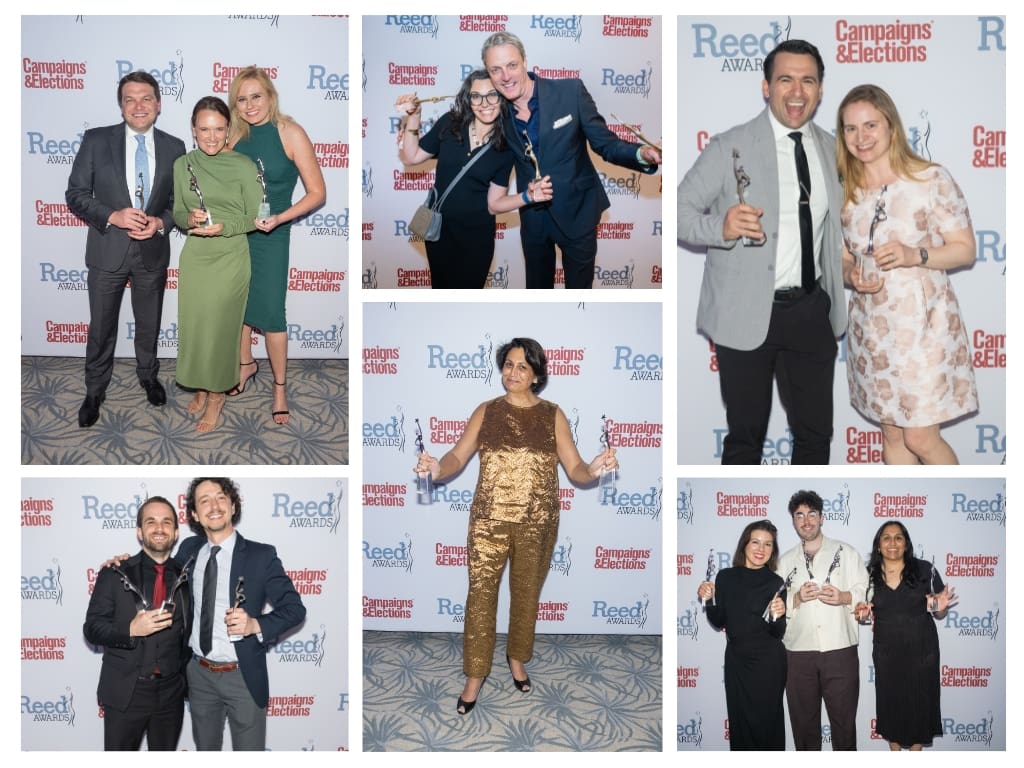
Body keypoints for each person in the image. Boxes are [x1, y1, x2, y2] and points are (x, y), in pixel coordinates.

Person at [414, 338, 617, 713]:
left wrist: (593, 470)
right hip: (488, 521)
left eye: (523, 366)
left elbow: (575, 467)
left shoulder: (552, 415)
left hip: (537, 522)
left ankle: (517, 658)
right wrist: (438, 469)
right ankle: (475, 675)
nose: (513, 372)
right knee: (480, 599)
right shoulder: (487, 411)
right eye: (508, 364)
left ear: (537, 375)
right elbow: (457, 454)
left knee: (526, 597)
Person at [677, 40, 847, 464]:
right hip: (744, 313)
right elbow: (678, 212)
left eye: (808, 80)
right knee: (745, 440)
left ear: (820, 90)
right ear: (766, 87)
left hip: (810, 311)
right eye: (785, 79)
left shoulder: (833, 151)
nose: (797, 91)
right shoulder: (729, 146)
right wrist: (721, 227)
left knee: (815, 438)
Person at [837, 84, 978, 464]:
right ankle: (906, 494)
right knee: (893, 434)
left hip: (925, 327)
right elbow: (843, 259)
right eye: (851, 129)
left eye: (870, 125)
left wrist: (914, 254)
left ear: (891, 126)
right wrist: (852, 276)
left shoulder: (929, 179)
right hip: (872, 330)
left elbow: (965, 249)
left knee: (919, 436)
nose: (861, 137)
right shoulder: (845, 191)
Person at [481, 32, 661, 288]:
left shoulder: (570, 91)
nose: (506, 76)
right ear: (488, 73)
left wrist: (642, 154)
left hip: (578, 213)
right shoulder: (493, 111)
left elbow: (606, 144)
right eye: (495, 70)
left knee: (579, 295)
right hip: (533, 220)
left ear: (524, 61)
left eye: (511, 65)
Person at [65, 71, 186, 428]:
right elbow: (75, 194)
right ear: (121, 105)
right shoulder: (96, 140)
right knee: (101, 327)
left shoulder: (175, 147)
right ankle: (94, 390)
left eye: (146, 98)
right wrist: (113, 216)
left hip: (152, 251)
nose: (138, 106)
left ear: (158, 104)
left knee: (149, 324)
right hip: (107, 251)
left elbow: (178, 204)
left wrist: (160, 222)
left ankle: (148, 376)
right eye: (130, 99)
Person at [226, 67, 327, 425]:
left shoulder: (290, 132)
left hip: (272, 235)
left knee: (271, 314)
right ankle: (245, 365)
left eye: (256, 96)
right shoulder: (234, 135)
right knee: (237, 306)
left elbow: (318, 193)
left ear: (270, 96)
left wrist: (281, 218)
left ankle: (280, 387)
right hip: (238, 234)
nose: (250, 105)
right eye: (242, 99)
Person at [176, 477, 306, 750]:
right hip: (198, 674)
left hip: (242, 676)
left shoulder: (261, 556)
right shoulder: (189, 550)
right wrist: (123, 565)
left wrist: (255, 624)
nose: (214, 506)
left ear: (233, 506)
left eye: (221, 497)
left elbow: (295, 609)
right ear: (194, 514)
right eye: (204, 501)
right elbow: (158, 575)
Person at [395, 69, 552, 288]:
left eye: (492, 95)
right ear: (468, 100)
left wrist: (528, 196)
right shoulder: (450, 124)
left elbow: (494, 204)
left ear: (502, 97)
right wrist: (414, 116)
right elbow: (411, 157)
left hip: (476, 240)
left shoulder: (505, 146)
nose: (484, 103)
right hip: (439, 234)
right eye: (476, 96)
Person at [172, 97, 263, 432]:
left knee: (222, 331)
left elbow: (257, 217)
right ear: (193, 130)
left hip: (230, 256)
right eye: (204, 129)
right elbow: (178, 212)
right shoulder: (183, 164)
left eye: (219, 129)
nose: (211, 137)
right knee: (196, 327)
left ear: (228, 129)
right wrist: (189, 218)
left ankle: (217, 396)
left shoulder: (244, 165)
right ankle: (201, 383)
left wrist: (226, 227)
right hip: (196, 256)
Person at [83, 497, 191, 750]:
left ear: (176, 533)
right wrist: (131, 630)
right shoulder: (115, 572)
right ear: (139, 532)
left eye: (167, 522)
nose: (159, 528)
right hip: (126, 692)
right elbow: (92, 628)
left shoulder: (188, 575)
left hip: (171, 694)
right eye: (150, 522)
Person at [776, 489, 867, 750]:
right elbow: (775, 606)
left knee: (844, 727)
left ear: (822, 517)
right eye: (799, 515)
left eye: (811, 514)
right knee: (803, 729)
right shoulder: (784, 562)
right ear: (793, 521)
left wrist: (844, 597)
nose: (806, 521)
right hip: (798, 654)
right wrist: (796, 598)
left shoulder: (847, 553)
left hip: (840, 651)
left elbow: (866, 590)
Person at [854, 521, 956, 750]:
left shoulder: (924, 570)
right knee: (891, 705)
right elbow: (864, 613)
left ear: (906, 544)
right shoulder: (868, 575)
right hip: (887, 654)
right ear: (878, 545)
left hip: (922, 653)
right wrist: (862, 614)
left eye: (898, 537)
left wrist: (940, 606)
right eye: (886, 538)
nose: (892, 543)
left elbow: (939, 612)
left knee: (920, 705)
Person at [697, 520, 787, 750]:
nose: (761, 549)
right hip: (737, 662)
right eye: (755, 542)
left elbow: (778, 632)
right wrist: (708, 599)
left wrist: (778, 615)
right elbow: (719, 622)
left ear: (773, 550)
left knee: (768, 725)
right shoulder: (725, 577)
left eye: (768, 544)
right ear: (744, 544)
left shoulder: (776, 583)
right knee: (740, 724)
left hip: (769, 664)